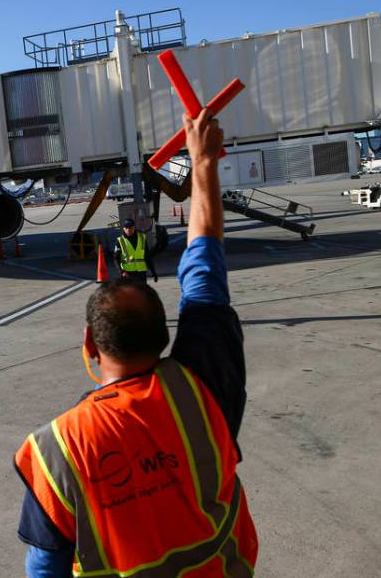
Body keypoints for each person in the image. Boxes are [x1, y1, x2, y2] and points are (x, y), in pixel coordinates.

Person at [14, 108, 258, 577]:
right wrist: (203, 163)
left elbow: (46, 568)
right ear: (166, 335)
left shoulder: (59, 448)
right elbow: (206, 267)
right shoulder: (203, 387)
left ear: (89, 343)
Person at [114, 218, 157, 283]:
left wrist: (153, 271)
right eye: (126, 228)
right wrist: (122, 272)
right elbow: (116, 259)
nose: (128, 229)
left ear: (134, 227)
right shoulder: (120, 241)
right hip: (128, 273)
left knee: (142, 292)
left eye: (130, 227)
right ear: (123, 229)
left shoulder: (142, 238)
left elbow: (147, 256)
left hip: (141, 272)